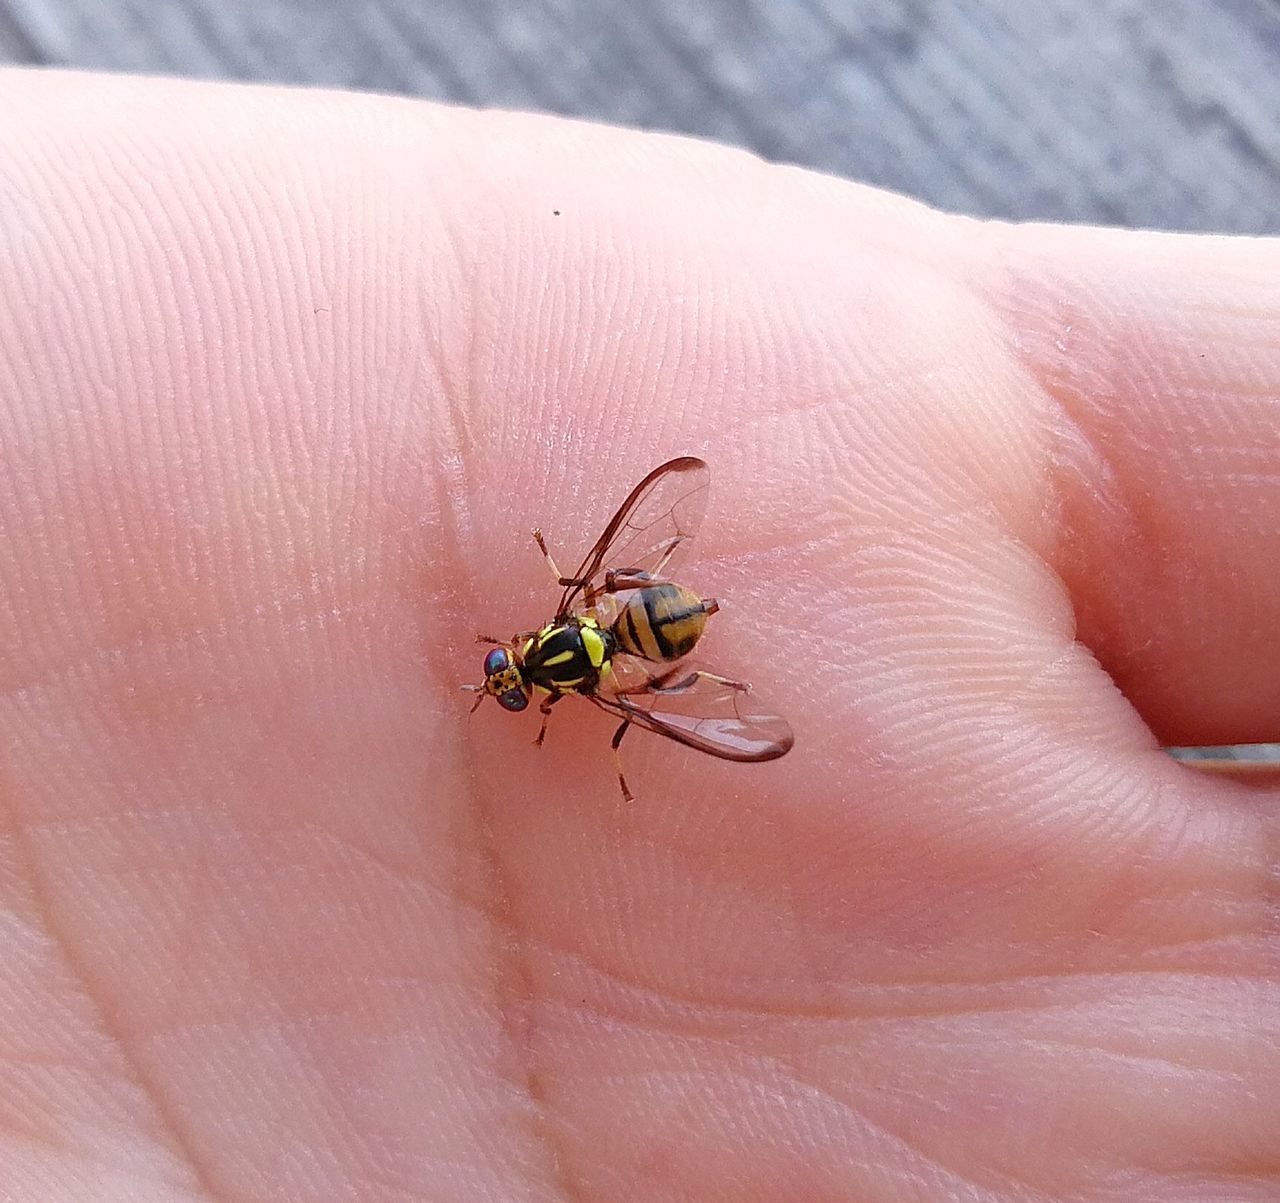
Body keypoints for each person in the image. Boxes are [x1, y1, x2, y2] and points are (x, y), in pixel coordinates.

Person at [0, 69, 1275, 1201]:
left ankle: (672, 631)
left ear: (535, 663)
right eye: (510, 676)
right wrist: (611, 633)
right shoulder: (581, 644)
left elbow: (642, 659)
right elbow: (627, 583)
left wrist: (616, 685)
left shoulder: (585, 685)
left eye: (509, 673)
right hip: (637, 630)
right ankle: (668, 627)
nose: (506, 673)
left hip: (641, 646)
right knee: (652, 656)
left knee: (659, 684)